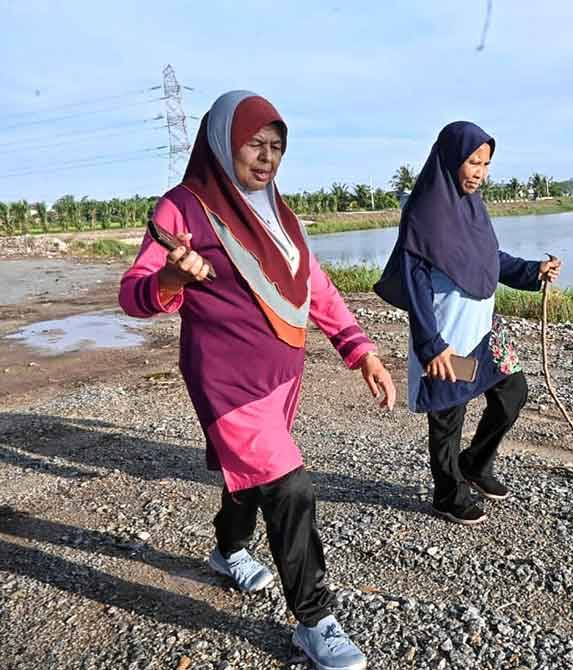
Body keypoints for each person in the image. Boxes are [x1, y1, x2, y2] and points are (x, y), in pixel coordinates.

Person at [119, 90, 395, 670]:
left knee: (249, 477)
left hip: (280, 378)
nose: (266, 158)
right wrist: (171, 276)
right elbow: (133, 293)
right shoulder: (183, 207)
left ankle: (227, 549)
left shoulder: (279, 212)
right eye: (254, 144)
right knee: (288, 485)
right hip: (225, 381)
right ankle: (315, 620)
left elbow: (314, 286)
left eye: (276, 147)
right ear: (223, 143)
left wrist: (360, 350)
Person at [374, 121, 561, 526]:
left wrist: (534, 271)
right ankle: (447, 492)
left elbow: (491, 260)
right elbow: (415, 281)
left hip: (484, 326)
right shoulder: (424, 213)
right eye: (472, 162)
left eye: (486, 163)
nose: (479, 171)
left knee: (513, 391)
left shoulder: (472, 208)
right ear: (449, 159)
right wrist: (431, 345)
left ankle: (474, 463)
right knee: (448, 410)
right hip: (448, 334)